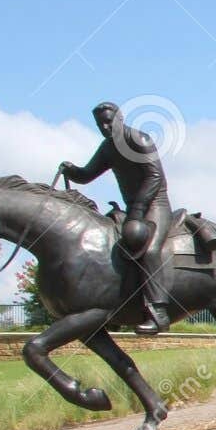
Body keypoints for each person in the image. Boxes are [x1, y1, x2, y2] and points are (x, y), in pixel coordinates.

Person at [59, 102, 172, 335]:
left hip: (154, 205)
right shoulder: (108, 148)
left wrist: (138, 210)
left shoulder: (139, 140)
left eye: (109, 121)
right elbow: (88, 174)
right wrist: (72, 171)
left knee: (148, 249)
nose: (105, 126)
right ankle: (118, 307)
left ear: (120, 118)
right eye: (100, 124)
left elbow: (155, 177)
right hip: (133, 209)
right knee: (109, 249)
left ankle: (158, 312)